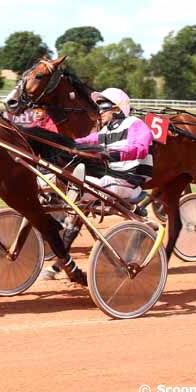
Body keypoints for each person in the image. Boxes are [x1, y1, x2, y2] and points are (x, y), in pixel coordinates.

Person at [42, 87, 154, 280]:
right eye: (98, 107)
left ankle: (69, 197)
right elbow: (83, 141)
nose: (99, 112)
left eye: (103, 107)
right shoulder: (106, 131)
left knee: (82, 181)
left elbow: (142, 149)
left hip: (127, 182)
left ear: (118, 109)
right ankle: (52, 190)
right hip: (109, 179)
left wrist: (113, 154)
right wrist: (61, 146)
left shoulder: (136, 124)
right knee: (64, 175)